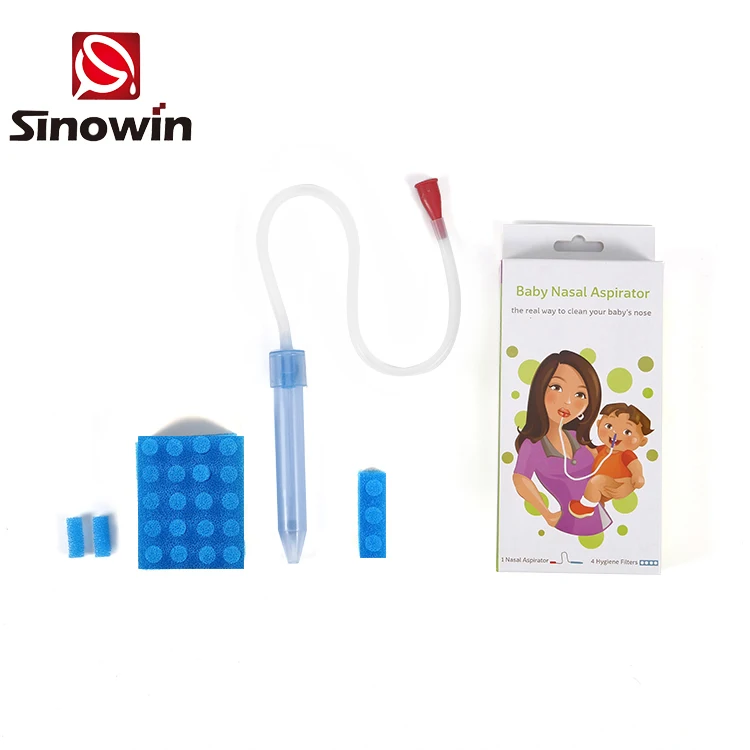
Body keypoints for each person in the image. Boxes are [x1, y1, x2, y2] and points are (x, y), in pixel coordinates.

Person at [512, 350, 633, 536]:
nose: (568, 401)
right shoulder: (533, 445)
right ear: (540, 389)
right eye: (557, 387)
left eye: (580, 394)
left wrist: (626, 484)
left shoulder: (577, 437)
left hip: (603, 522)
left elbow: (607, 465)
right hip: (568, 525)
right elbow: (520, 479)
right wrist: (547, 514)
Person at [569, 402, 652, 518]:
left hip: (616, 483)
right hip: (601, 487)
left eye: (627, 432)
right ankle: (597, 507)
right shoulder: (603, 449)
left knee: (597, 481)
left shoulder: (626, 454)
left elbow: (635, 464)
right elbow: (591, 452)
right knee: (593, 485)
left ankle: (586, 507)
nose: (615, 433)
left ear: (642, 441)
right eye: (609, 426)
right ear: (599, 424)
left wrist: (638, 476)